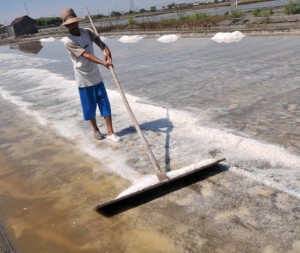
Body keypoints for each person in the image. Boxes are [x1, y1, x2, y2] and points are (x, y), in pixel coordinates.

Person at [61, 8, 121, 142]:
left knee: (104, 102)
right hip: (83, 78)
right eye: (69, 24)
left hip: (96, 75)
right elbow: (86, 55)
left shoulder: (87, 32)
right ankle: (95, 130)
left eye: (74, 23)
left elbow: (100, 43)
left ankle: (111, 132)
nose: (73, 26)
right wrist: (103, 63)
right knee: (89, 106)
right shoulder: (67, 41)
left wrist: (106, 51)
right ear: (66, 26)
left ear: (77, 22)